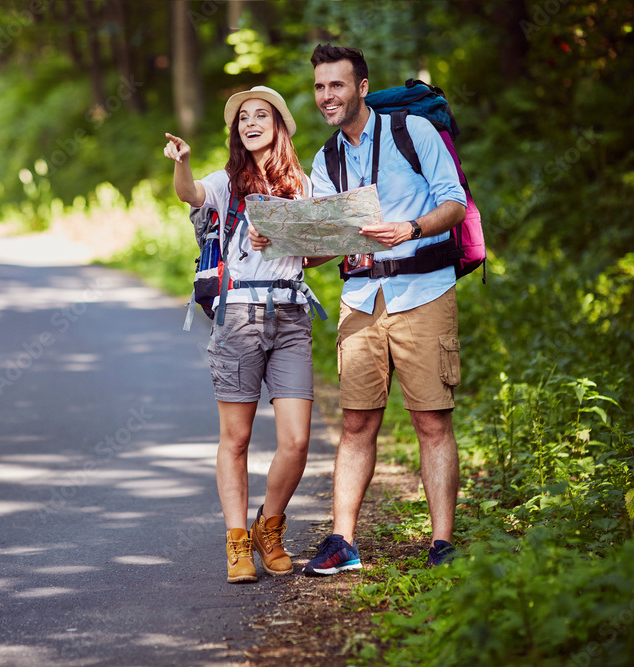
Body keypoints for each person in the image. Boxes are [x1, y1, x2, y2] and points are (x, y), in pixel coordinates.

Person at [251, 45, 467, 572]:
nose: (327, 96)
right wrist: (283, 240)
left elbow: (454, 201)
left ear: (362, 88)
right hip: (361, 298)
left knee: (432, 422)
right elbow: (332, 242)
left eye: (337, 86)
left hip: (424, 292)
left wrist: (410, 229)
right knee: (356, 424)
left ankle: (442, 545)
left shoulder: (410, 133)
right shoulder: (326, 159)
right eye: (321, 87)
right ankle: (342, 542)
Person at [163, 86, 323, 584]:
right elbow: (188, 195)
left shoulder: (304, 184)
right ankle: (237, 543)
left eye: (262, 115)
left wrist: (294, 238)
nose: (251, 123)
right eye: (243, 118)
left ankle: (268, 527)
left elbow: (316, 251)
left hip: (292, 313)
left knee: (296, 441)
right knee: (236, 439)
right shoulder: (227, 182)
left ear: (279, 125)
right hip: (239, 316)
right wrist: (182, 162)